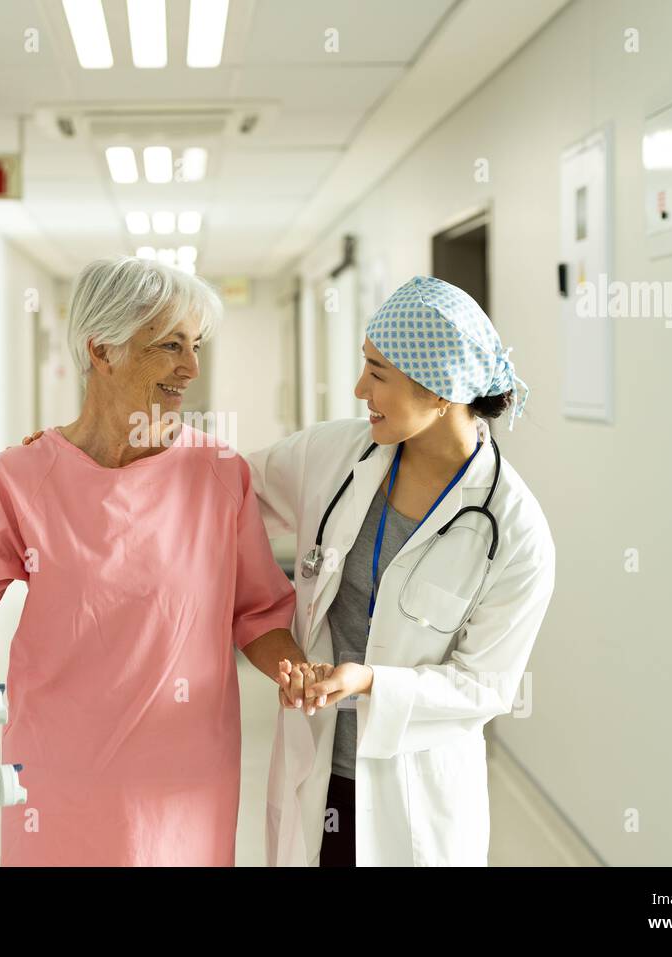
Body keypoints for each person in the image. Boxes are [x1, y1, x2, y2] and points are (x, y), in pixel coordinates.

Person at [0, 256, 302, 866]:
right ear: (102, 350)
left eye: (195, 346)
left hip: (181, 775)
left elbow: (258, 612)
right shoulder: (22, 479)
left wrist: (296, 670)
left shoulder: (219, 475)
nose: (191, 368)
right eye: (171, 345)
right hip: (59, 775)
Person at [249, 275, 556, 866]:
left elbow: (484, 685)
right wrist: (90, 447)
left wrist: (370, 683)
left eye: (378, 373)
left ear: (441, 390)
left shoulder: (514, 532)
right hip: (317, 768)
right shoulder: (336, 454)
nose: (360, 387)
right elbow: (223, 488)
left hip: (415, 792)